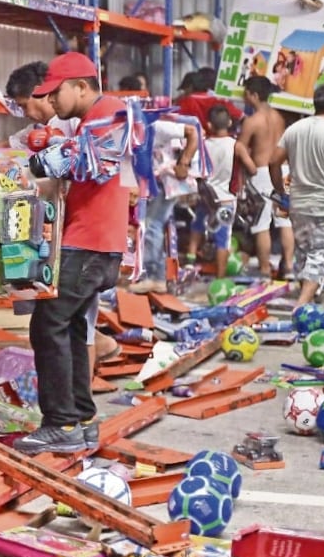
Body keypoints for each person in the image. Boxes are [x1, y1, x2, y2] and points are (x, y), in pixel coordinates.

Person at [14, 52, 128, 455]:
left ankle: (60, 424)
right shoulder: (89, 122)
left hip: (91, 242)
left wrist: (37, 160)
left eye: (54, 93)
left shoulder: (108, 112)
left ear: (81, 86)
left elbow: (89, 163)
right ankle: (81, 418)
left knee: (48, 326)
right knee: (73, 327)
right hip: (94, 241)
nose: (52, 103)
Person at [0, 61, 119, 366]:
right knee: (65, 320)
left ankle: (76, 401)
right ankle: (78, 401)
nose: (28, 113)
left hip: (83, 239)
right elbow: (6, 149)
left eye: (29, 104)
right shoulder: (41, 130)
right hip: (53, 234)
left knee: (72, 326)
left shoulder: (81, 121)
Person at [269, 83, 324, 308]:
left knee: (304, 253)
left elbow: (273, 162)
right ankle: (301, 305)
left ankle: (308, 298)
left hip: (298, 204)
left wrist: (280, 192)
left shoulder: (294, 129)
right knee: (320, 255)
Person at [129, 115, 199, 294]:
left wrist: (184, 162)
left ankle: (155, 277)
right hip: (154, 182)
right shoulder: (127, 132)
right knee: (151, 226)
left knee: (152, 225)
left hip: (166, 182)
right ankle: (154, 275)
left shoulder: (157, 127)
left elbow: (193, 132)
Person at [187, 105, 257, 277]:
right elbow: (253, 169)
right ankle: (220, 276)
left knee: (197, 226)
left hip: (206, 197)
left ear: (209, 125)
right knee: (223, 239)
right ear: (230, 122)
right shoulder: (237, 146)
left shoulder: (203, 145)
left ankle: (189, 262)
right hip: (225, 201)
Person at [237, 76, 294, 278]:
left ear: (254, 95)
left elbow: (240, 147)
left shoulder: (252, 121)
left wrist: (250, 167)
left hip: (261, 171)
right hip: (283, 169)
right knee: (284, 220)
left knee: (261, 224)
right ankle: (288, 266)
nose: (244, 98)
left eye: (246, 94)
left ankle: (264, 268)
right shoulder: (280, 117)